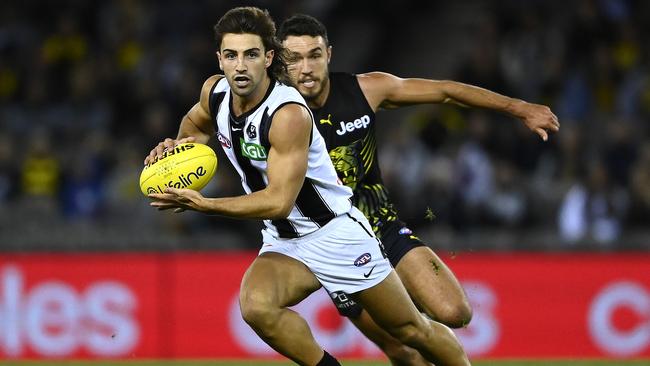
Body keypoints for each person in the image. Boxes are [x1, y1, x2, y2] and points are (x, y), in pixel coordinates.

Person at [145, 7, 470, 366]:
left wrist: (205, 204)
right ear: (219, 59)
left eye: (251, 55)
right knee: (256, 306)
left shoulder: (287, 114)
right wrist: (179, 149)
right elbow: (195, 124)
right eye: (231, 55)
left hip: (335, 235)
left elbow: (278, 202)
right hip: (285, 241)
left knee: (411, 332)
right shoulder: (215, 93)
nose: (240, 66)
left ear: (268, 58)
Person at [278, 14, 560, 365]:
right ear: (279, 61)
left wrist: (520, 108)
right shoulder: (273, 114)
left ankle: (413, 317)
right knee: (403, 350)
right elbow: (215, 112)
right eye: (295, 58)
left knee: (455, 312)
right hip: (334, 247)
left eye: (314, 55)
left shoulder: (366, 89)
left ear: (329, 55)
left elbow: (444, 91)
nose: (306, 67)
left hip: (383, 225)